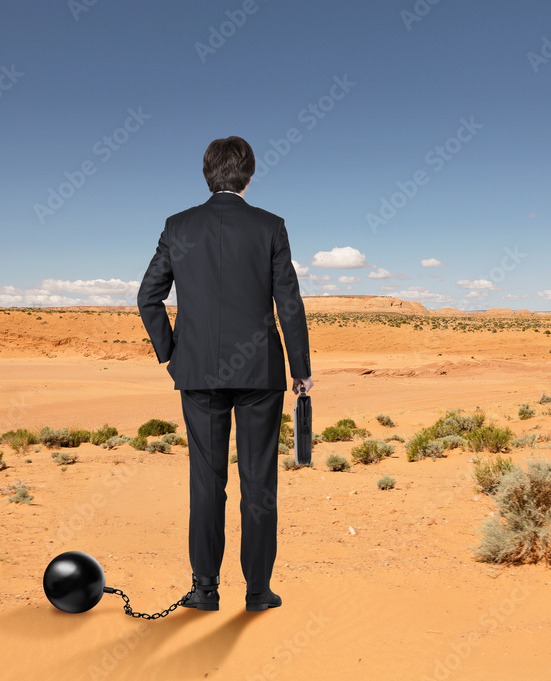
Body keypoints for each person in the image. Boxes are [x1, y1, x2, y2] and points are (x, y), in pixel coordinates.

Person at [137, 136, 313, 612]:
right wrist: (301, 370)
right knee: (259, 483)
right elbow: (289, 305)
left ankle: (205, 589)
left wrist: (173, 354)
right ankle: (257, 591)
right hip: (260, 374)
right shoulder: (270, 226)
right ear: (249, 175)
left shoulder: (178, 226)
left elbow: (147, 298)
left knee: (205, 482)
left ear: (207, 174)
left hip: (197, 374)